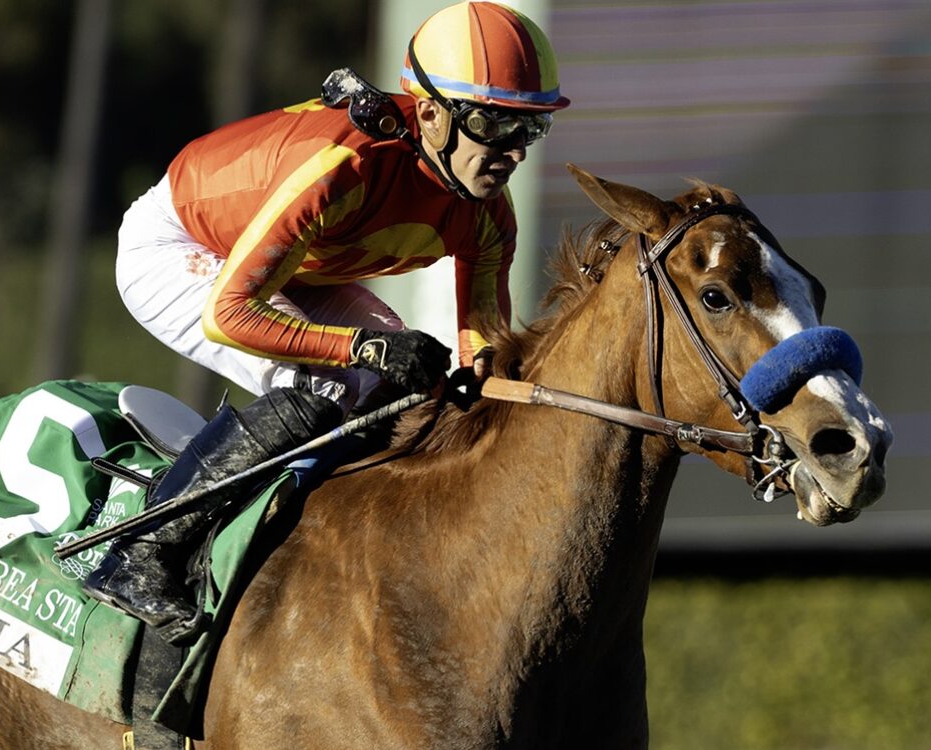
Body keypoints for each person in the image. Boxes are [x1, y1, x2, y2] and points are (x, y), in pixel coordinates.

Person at [85, 1, 571, 642]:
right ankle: (141, 554)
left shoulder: (487, 213)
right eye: (491, 124)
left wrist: (479, 386)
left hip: (295, 268)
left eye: (527, 130)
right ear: (429, 113)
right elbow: (230, 313)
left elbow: (480, 336)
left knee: (402, 386)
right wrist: (363, 349)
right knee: (322, 390)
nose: (511, 152)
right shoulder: (343, 168)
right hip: (182, 246)